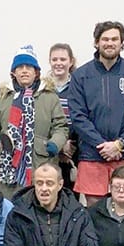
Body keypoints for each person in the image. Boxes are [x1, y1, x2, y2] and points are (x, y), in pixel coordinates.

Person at [66, 21, 124, 200]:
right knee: (95, 209)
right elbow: (78, 116)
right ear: (96, 42)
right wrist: (101, 145)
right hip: (92, 153)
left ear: (122, 43)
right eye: (105, 39)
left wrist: (119, 144)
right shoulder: (81, 76)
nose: (110, 43)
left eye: (114, 39)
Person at [0, 46, 69, 199]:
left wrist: (55, 144)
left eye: (29, 67)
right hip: (8, 165)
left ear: (36, 72)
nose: (24, 71)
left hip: (41, 164)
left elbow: (61, 127)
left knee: (39, 205)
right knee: (10, 206)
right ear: (13, 72)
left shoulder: (49, 97)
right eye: (20, 67)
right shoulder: (2, 98)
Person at [47, 42, 80, 189]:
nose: (58, 63)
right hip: (49, 149)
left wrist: (70, 145)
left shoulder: (79, 86)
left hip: (72, 150)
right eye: (54, 59)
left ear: (71, 61)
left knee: (70, 193)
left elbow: (81, 117)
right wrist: (58, 144)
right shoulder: (43, 88)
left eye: (63, 59)